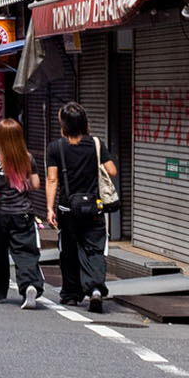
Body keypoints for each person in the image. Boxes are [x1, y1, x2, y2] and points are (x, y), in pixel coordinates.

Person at [44, 100, 118, 313]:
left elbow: (52, 180)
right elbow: (112, 171)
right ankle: (95, 288)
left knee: (68, 251)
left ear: (64, 125)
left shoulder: (55, 147)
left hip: (68, 209)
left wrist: (49, 208)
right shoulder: (95, 143)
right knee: (94, 249)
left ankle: (70, 295)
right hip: (94, 208)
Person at [0, 119, 42, 303]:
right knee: (25, 251)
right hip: (22, 213)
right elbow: (36, 184)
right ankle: (29, 284)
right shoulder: (27, 157)